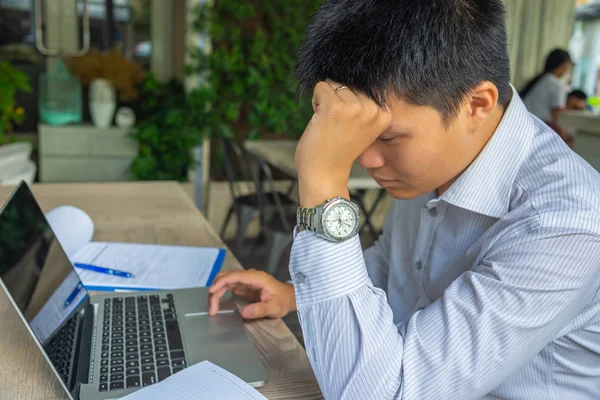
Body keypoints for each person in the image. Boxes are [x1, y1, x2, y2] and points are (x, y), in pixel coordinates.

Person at [210, 1, 600, 399]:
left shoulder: (564, 227)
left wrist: (324, 184)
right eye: (361, 132)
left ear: (477, 105)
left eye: (388, 137)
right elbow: (393, 264)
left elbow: (384, 393)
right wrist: (296, 294)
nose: (367, 158)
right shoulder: (434, 161)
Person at [521, 49, 573, 142]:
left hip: (524, 124)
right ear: (563, 65)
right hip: (541, 128)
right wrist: (564, 135)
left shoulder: (539, 80)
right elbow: (557, 114)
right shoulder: (556, 85)